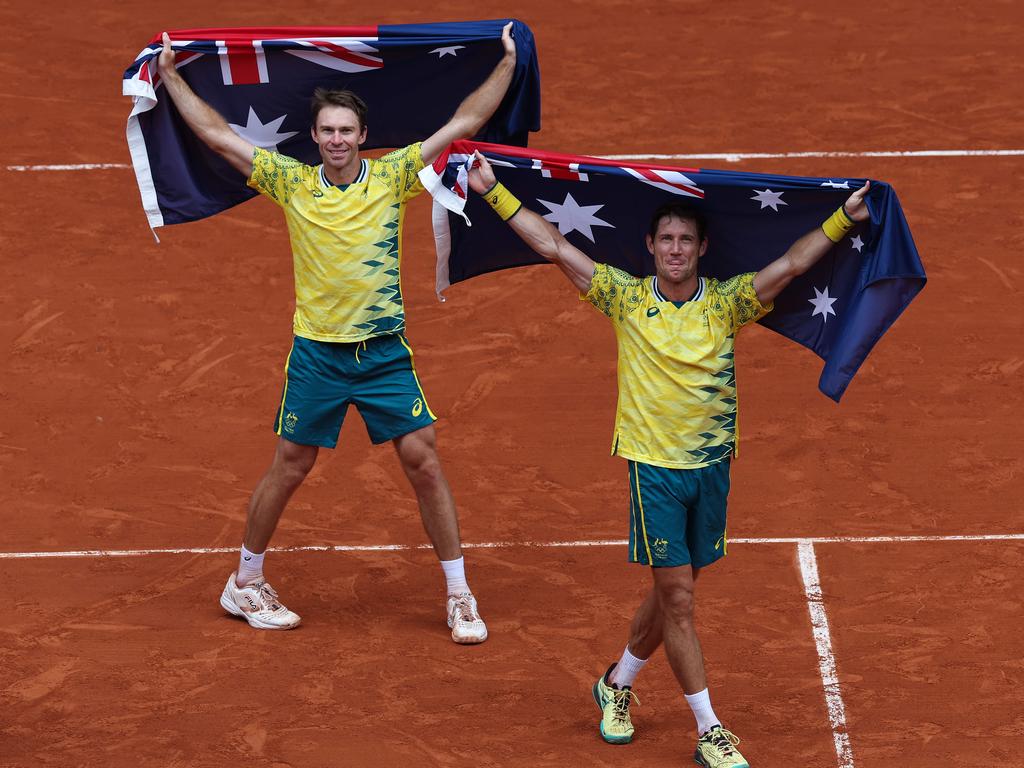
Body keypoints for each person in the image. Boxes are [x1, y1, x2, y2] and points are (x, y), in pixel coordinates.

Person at [467, 151, 869, 766]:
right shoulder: (624, 299)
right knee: (679, 598)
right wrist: (493, 192)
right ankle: (709, 730)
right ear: (650, 247)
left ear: (701, 247)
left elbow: (792, 262)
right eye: (666, 239)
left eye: (685, 239)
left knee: (672, 592)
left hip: (712, 469)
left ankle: (616, 683)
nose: (675, 248)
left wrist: (843, 218)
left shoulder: (729, 303)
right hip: (653, 468)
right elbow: (553, 246)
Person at [155, 25, 517, 643]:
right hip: (318, 354)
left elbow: (465, 121)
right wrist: (169, 78)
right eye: (327, 130)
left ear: (362, 136)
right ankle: (244, 581)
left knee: (423, 461)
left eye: (346, 130)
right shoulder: (290, 183)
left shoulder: (393, 176)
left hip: (383, 355)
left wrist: (507, 60)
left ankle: (459, 594)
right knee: (291, 466)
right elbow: (217, 135)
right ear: (315, 136)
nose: (336, 140)